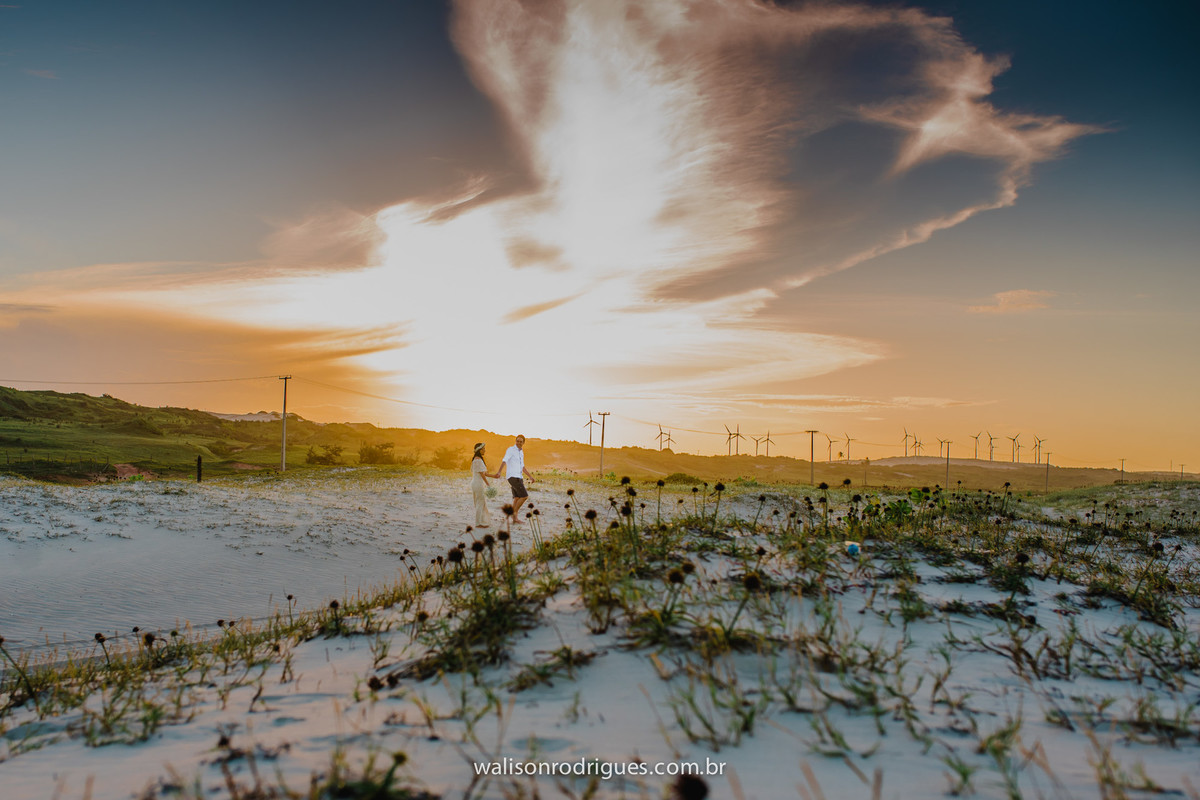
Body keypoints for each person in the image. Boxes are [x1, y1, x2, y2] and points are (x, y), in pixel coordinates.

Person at [495, 434, 534, 522]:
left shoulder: (521, 452)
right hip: (513, 476)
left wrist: (530, 476)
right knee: (524, 496)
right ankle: (513, 514)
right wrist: (499, 471)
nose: (519, 443)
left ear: (523, 443)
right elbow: (504, 460)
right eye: (517, 441)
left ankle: (514, 518)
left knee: (516, 498)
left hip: (519, 477)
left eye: (521, 441)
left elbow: (522, 467)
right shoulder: (511, 450)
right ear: (515, 441)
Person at [470, 442, 492, 528]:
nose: (485, 450)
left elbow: (484, 473)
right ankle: (478, 523)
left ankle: (482, 521)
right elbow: (482, 475)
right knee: (480, 502)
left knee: (480, 502)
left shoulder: (476, 459)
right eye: (483, 449)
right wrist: (488, 484)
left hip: (475, 482)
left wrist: (494, 476)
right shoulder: (478, 460)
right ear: (479, 450)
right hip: (478, 484)